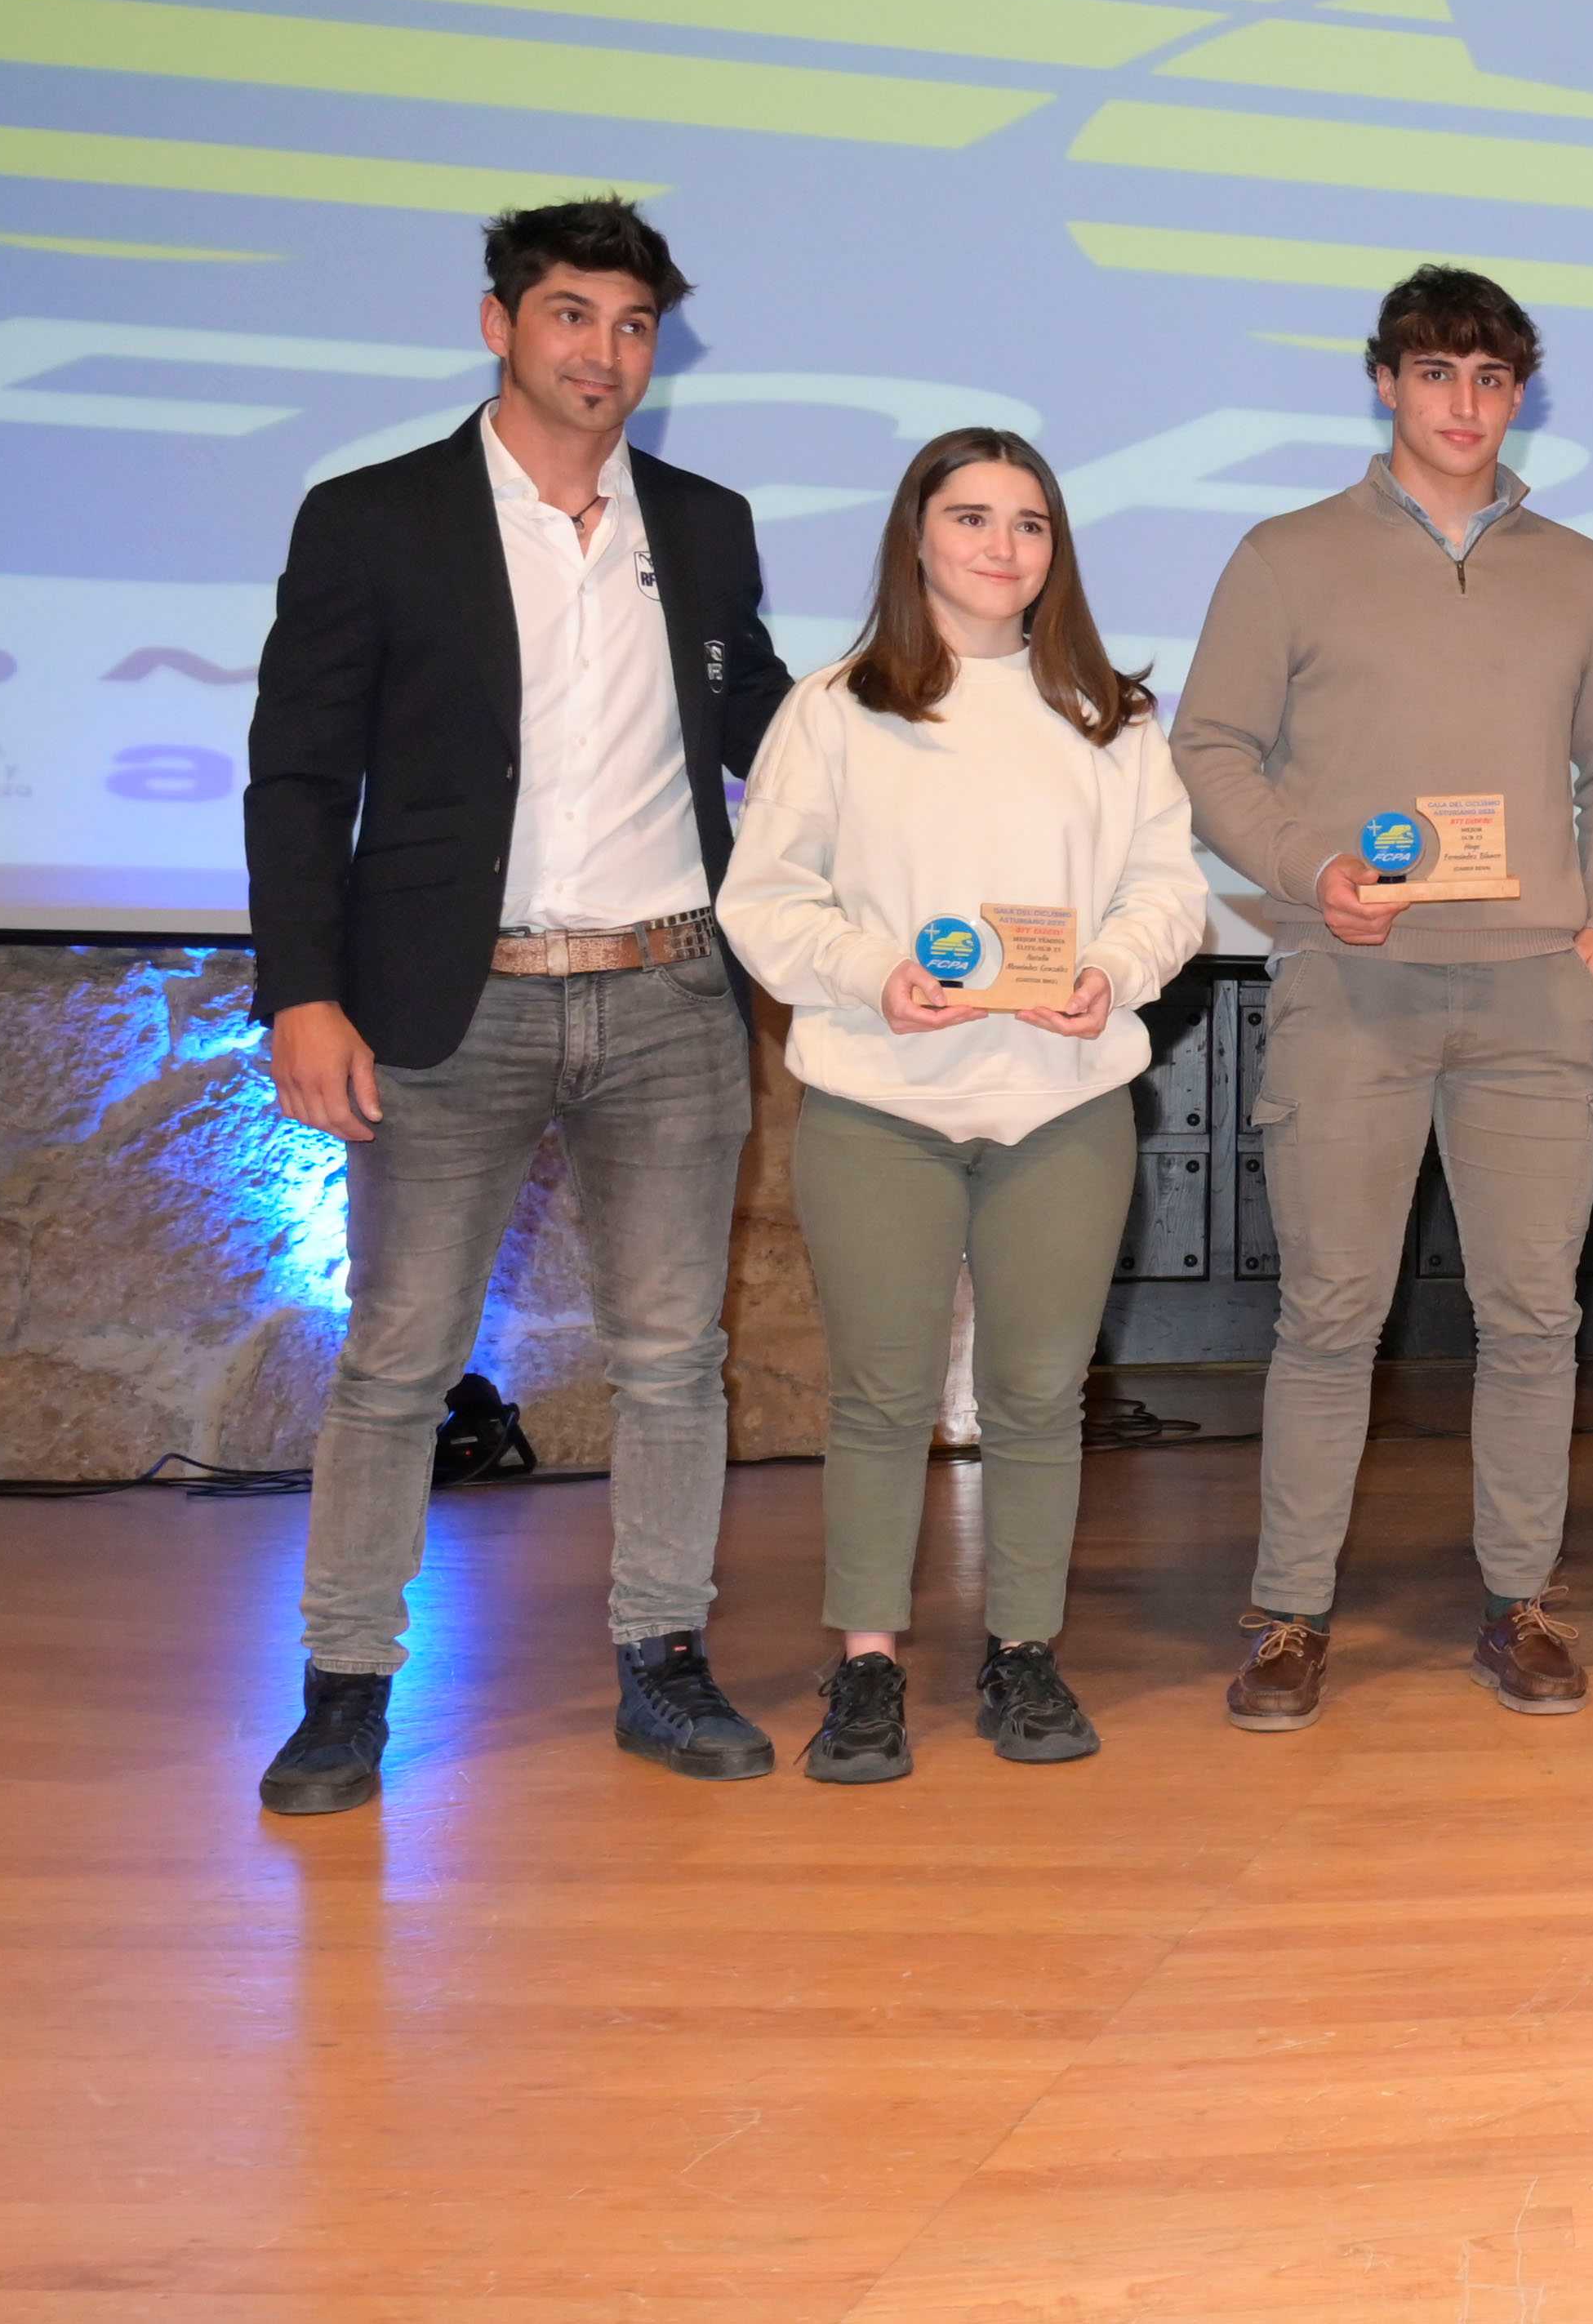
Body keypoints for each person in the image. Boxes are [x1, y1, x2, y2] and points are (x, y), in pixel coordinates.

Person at [244, 197, 789, 1817]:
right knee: (400, 1358)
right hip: (444, 1000)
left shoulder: (697, 521)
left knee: (671, 1357)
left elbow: (760, 709)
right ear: (499, 324)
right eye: (571, 316)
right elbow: (296, 776)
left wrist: (964, 716)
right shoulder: (371, 518)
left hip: (671, 991)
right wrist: (302, 993)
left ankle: (664, 1657)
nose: (603, 354)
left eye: (632, 326)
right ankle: (345, 1685)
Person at [1173, 265, 1593, 1723]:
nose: (1466, 404)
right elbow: (1207, 749)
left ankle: (1521, 1602)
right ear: (1384, 380)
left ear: (1522, 394)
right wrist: (1312, 871)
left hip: (1531, 994)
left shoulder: (1582, 572)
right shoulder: (1285, 555)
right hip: (1352, 979)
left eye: (1494, 378)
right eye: (1438, 373)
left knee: (1530, 1317)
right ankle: (1290, 1615)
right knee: (1331, 1314)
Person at [715, 431, 1207, 1780]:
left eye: (1031, 522)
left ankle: (1023, 1655)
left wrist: (1109, 973)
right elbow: (764, 901)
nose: (1004, 546)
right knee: (880, 1394)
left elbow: (1171, 892)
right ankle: (866, 1664)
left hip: (1063, 1101)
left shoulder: (1112, 713)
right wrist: (876, 975)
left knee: (1043, 1391)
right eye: (973, 517)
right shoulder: (832, 709)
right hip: (881, 1102)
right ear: (915, 538)